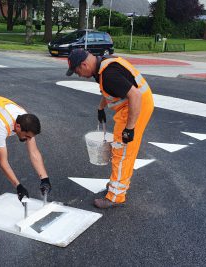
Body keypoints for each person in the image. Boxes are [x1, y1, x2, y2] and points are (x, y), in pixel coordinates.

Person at [66, 49, 154, 209]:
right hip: (137, 104)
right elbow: (112, 92)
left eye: (77, 71)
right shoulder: (103, 65)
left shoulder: (108, 74)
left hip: (135, 107)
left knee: (121, 152)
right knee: (127, 151)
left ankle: (115, 196)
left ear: (84, 64)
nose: (78, 75)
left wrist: (129, 128)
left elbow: (135, 95)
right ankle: (118, 184)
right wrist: (101, 108)